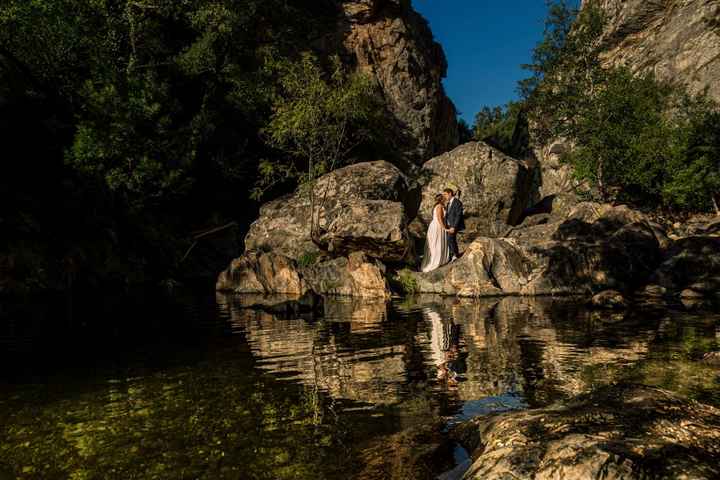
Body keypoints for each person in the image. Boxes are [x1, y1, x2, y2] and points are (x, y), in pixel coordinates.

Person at [420, 193, 451, 272]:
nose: (445, 199)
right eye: (443, 198)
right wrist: (445, 228)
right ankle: (436, 261)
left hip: (436, 225)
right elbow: (439, 219)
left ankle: (439, 259)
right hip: (437, 226)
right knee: (436, 243)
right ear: (441, 199)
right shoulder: (439, 207)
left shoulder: (439, 206)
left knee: (436, 243)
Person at [442, 188, 465, 261]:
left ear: (450, 194)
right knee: (451, 239)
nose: (444, 196)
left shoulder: (457, 202)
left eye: (445, 194)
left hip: (454, 225)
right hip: (448, 225)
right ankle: (454, 254)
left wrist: (454, 227)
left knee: (450, 239)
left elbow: (459, 215)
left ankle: (455, 255)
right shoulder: (448, 203)